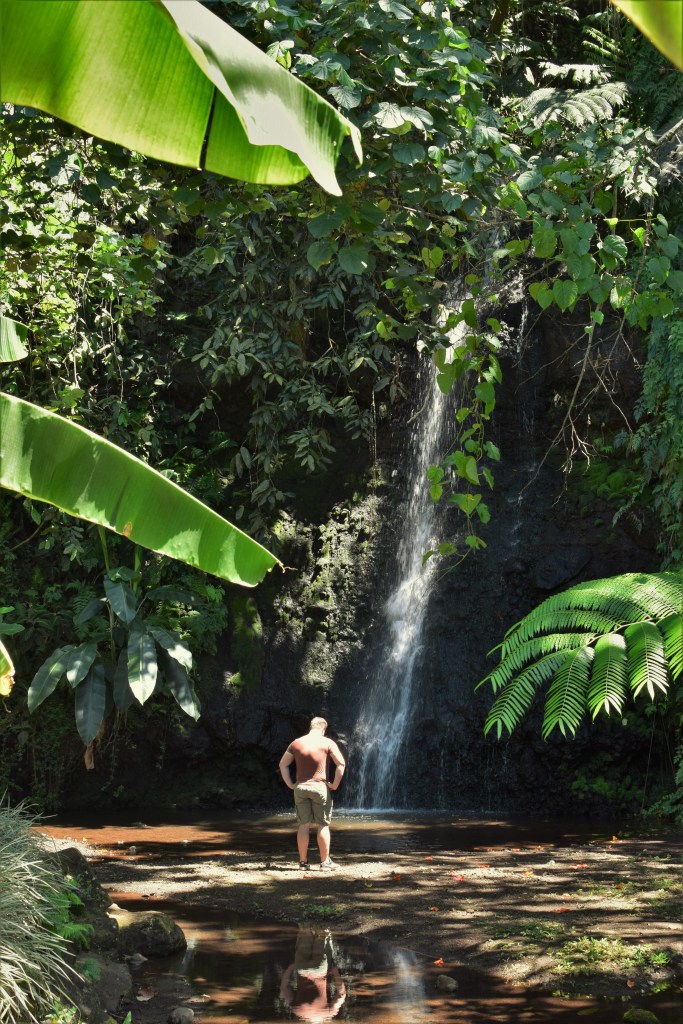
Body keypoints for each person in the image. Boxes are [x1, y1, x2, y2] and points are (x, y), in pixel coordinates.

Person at [279, 716, 345, 870]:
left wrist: (290, 784)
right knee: (322, 824)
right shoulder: (328, 742)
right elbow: (341, 764)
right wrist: (334, 784)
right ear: (323, 729)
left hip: (301, 787)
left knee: (303, 825)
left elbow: (283, 764)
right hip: (319, 786)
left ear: (311, 727)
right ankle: (325, 862)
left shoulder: (296, 743)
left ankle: (303, 863)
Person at [279, 926, 346, 1022]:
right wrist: (291, 968)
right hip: (301, 969)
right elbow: (284, 987)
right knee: (305, 931)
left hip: (320, 970)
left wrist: (335, 971)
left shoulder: (327, 1014)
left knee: (322, 933)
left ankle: (324, 916)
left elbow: (341, 994)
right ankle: (306, 917)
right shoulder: (297, 1011)